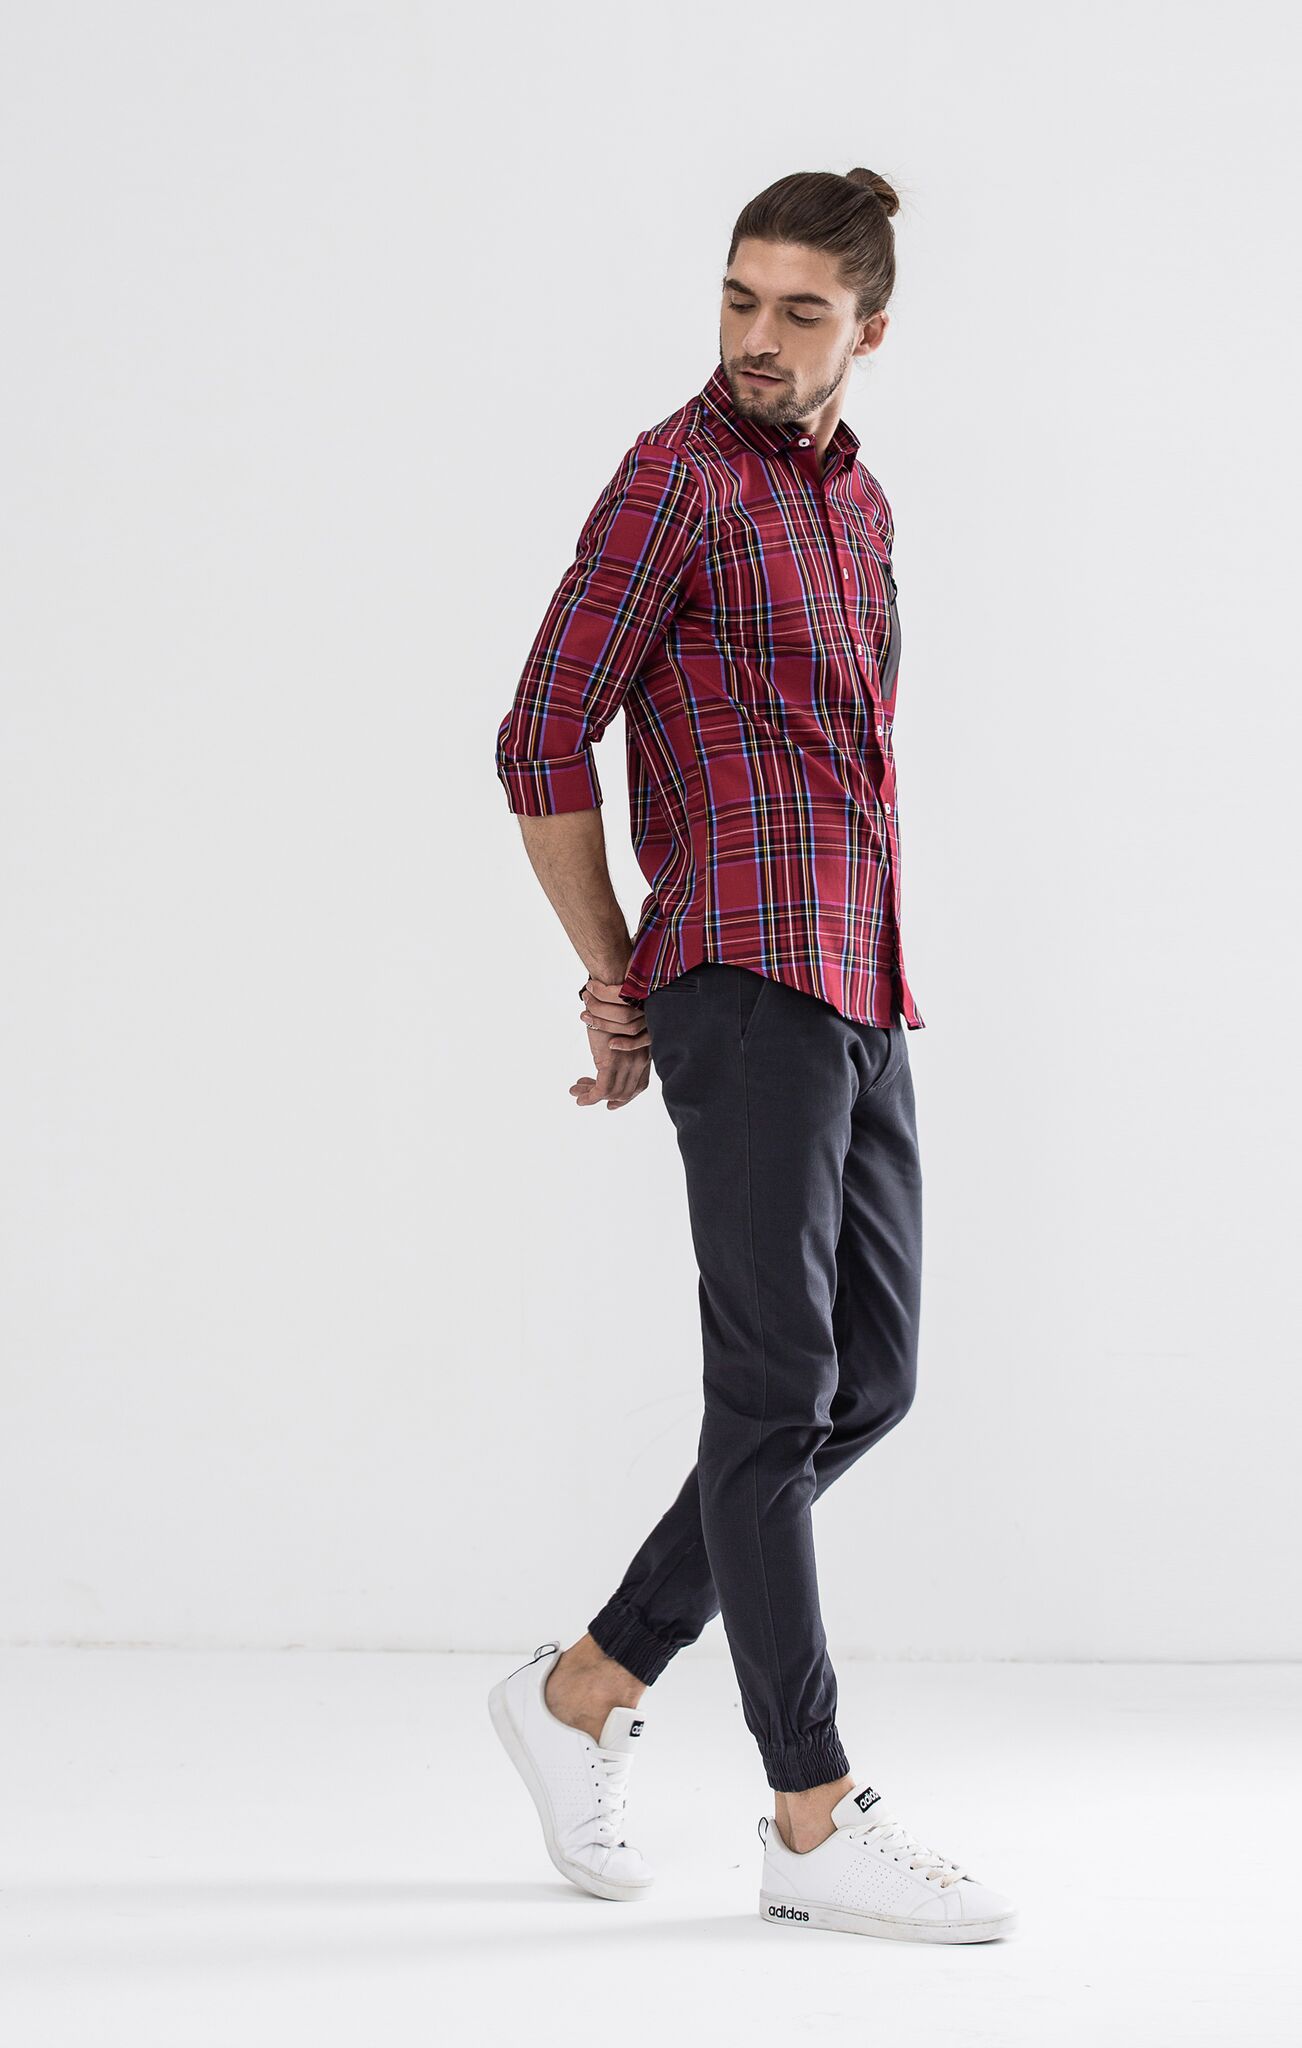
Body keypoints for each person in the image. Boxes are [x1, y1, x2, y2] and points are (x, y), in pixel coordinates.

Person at [486, 168, 1017, 1944]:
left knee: (868, 1383)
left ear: (870, 328)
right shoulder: (675, 481)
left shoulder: (856, 503)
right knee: (772, 1391)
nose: (758, 339)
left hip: (860, 979)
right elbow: (539, 730)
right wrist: (617, 971)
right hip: (737, 975)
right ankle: (808, 1814)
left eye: (799, 311)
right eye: (737, 299)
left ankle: (586, 1684)